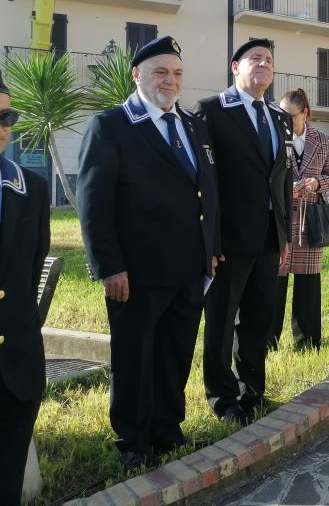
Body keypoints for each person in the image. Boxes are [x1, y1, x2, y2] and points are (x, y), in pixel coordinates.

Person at [76, 37, 221, 471]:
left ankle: (167, 429)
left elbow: (208, 192)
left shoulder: (193, 125)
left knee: (175, 353)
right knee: (134, 358)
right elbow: (93, 203)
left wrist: (211, 250)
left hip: (189, 267)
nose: (171, 80)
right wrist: (109, 266)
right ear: (137, 75)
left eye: (177, 73)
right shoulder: (112, 125)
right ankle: (133, 441)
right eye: (161, 71)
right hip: (136, 274)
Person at [194, 38, 291, 425]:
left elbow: (281, 180)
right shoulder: (212, 111)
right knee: (221, 320)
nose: (263, 64)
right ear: (235, 67)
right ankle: (222, 396)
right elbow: (205, 181)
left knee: (257, 319)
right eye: (255, 58)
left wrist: (284, 236)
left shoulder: (277, 116)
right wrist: (210, 241)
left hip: (268, 237)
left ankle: (253, 391)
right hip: (229, 240)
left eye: (269, 59)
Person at [0, 67, 49, 504]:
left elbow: (25, 277)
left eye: (5, 117)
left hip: (16, 374)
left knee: (3, 487)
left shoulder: (33, 189)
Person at [270, 89, 329, 351]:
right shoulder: (274, 138)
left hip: (310, 221)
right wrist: (287, 189)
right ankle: (268, 341)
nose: (284, 122)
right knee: (275, 282)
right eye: (281, 116)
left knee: (308, 285)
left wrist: (316, 182)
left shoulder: (322, 140)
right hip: (280, 219)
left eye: (290, 117)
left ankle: (307, 342)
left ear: (305, 113)